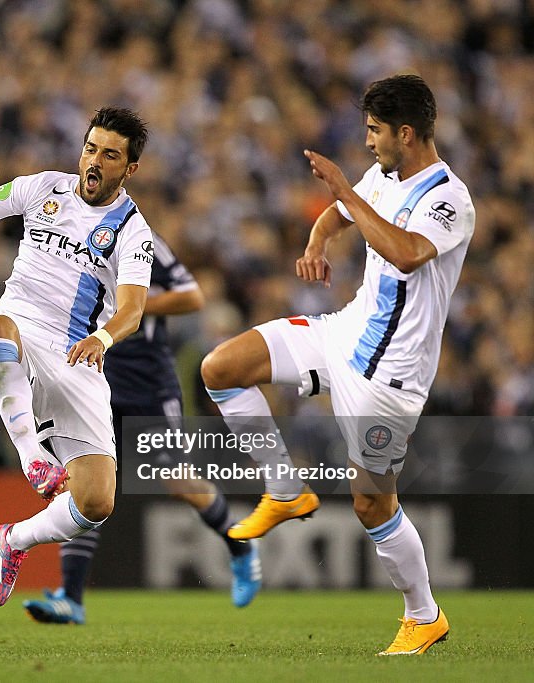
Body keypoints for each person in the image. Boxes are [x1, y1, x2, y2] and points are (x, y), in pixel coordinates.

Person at [199, 74, 474, 655]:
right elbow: (337, 216)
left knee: (372, 502)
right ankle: (284, 486)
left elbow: (404, 252)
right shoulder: (383, 176)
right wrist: (317, 244)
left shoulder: (450, 199)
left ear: (406, 132)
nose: (368, 141)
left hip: (392, 375)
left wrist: (347, 191)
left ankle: (423, 615)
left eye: (375, 131)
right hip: (344, 332)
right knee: (221, 367)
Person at [0, 107, 153, 607]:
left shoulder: (133, 231)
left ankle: (12, 541)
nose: (94, 161)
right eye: (90, 148)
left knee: (96, 502)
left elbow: (133, 311)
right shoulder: (44, 188)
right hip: (16, 338)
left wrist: (103, 339)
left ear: (129, 169)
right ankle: (34, 459)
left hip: (79, 355)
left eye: (110, 155)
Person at [22, 232, 261, 625]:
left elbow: (191, 296)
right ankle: (71, 596)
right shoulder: (63, 240)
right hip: (92, 378)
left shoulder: (140, 240)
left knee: (177, 480)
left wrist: (126, 307)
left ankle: (239, 543)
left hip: (148, 384)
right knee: (82, 483)